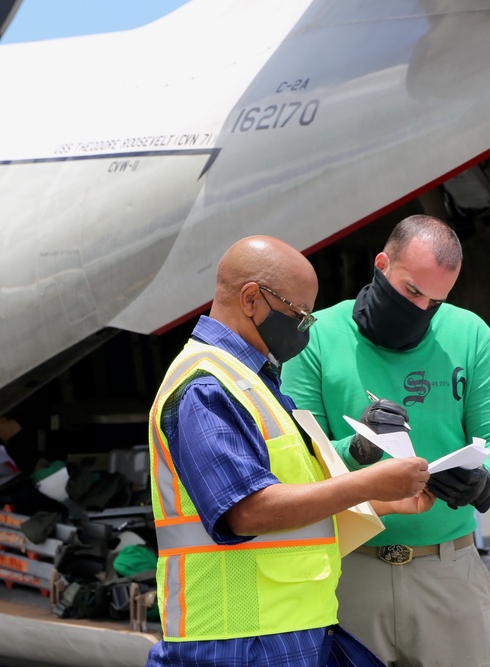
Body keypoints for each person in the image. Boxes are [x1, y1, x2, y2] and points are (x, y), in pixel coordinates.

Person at [145, 235, 435, 667]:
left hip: (286, 629)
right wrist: (366, 481)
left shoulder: (252, 379)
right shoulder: (205, 386)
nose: (304, 327)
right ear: (250, 299)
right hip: (236, 640)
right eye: (297, 313)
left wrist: (382, 500)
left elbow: (294, 497)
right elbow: (246, 510)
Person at [281, 215, 490, 667]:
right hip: (348, 569)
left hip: (448, 572)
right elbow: (296, 458)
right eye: (412, 291)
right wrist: (359, 446)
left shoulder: (470, 335)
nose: (422, 309)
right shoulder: (315, 338)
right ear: (382, 264)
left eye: (436, 301)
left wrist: (485, 479)